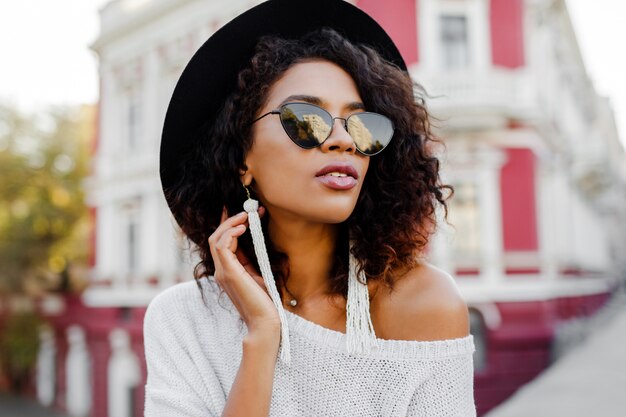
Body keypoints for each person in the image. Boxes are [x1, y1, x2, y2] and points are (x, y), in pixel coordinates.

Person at [144, 0, 476, 416]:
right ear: (242, 158)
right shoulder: (182, 320)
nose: (343, 140)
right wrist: (263, 336)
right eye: (305, 120)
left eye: (361, 124)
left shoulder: (426, 305)